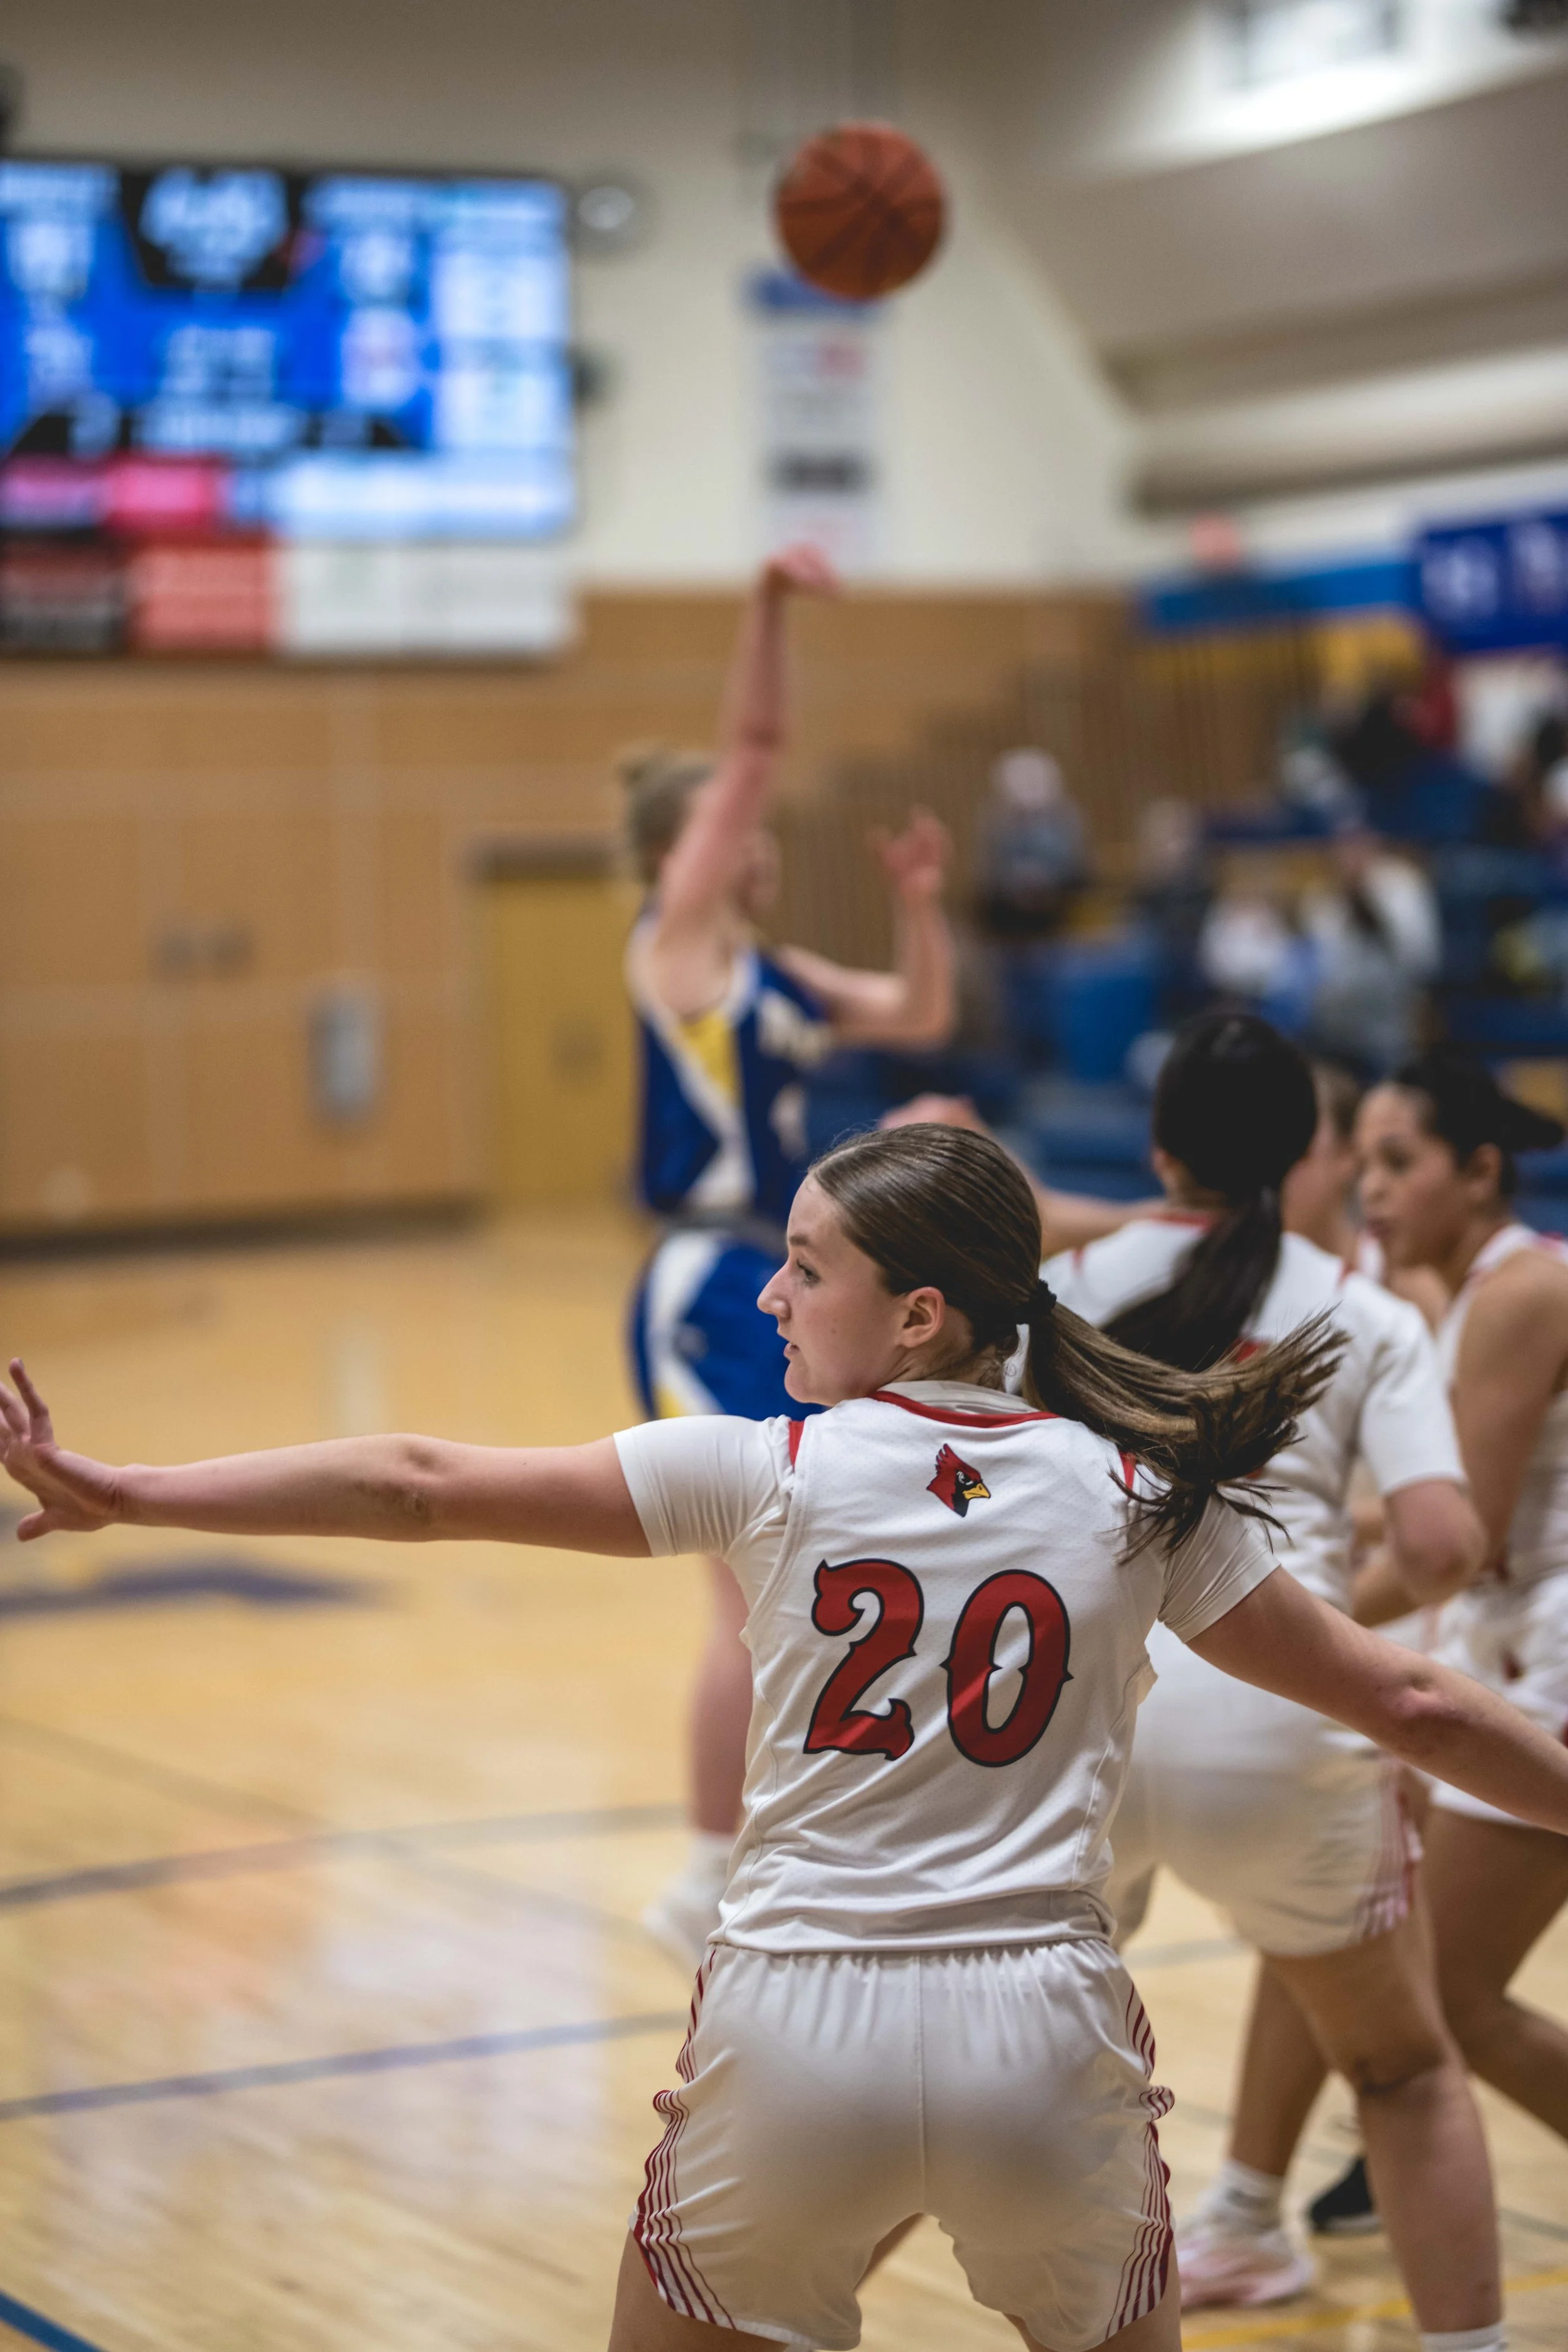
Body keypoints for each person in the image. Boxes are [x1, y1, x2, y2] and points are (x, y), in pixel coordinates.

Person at [8, 1126, 1568, 2352]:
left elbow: (417, 1480)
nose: (767, 1297)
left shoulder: (771, 1471)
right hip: (1043, 2032)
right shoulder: (1133, 1497)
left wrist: (132, 1489)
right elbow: (1415, 1706)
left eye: (801, 1269)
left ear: (915, 1314)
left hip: (793, 2023)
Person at [1044, 1015, 1505, 2340]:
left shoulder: (1061, 1289)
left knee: (1023, 2068)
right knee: (1404, 2071)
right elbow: (1436, 1544)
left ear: (1157, 1145)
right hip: (1281, 1741)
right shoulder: (1358, 1311)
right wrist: (1298, 1627)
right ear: (1308, 1152)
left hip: (1082, 1726)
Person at [623, 546, 956, 1968]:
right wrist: (761, 605)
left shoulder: (775, 973)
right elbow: (754, 743)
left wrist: (921, 897)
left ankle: (793, 1840)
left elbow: (922, 1012)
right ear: (678, 853)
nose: (751, 825)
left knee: (793, 1576)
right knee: (739, 1589)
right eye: (725, 818)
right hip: (701, 1279)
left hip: (782, 1272)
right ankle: (705, 1881)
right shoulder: (678, 948)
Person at [1185, 1049, 1568, 2260]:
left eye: (1403, 1162)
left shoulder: (1517, 1292)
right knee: (1331, 1879)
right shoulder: (1416, 1287)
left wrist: (1286, 1624)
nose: (1377, 1187)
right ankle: (1249, 2210)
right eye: (1367, 1162)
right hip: (1506, 1638)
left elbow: (1467, 1536)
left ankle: (1265, 2207)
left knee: (1445, 1995)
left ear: (1483, 1172)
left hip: (1545, 1645)